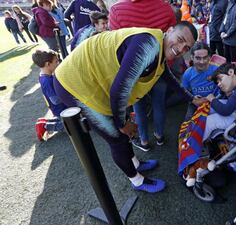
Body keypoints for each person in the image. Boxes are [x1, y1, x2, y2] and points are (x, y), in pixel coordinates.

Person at [54, 22, 203, 193]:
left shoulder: (159, 44)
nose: (181, 48)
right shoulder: (150, 44)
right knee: (117, 138)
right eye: (180, 40)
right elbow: (118, 92)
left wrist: (191, 99)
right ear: (169, 31)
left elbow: (166, 75)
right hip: (73, 84)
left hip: (91, 80)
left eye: (186, 47)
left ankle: (135, 163)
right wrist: (123, 123)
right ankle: (137, 180)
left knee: (122, 134)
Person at [109, 0, 177, 152]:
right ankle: (159, 136)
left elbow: (116, 45)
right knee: (159, 104)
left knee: (138, 107)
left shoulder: (117, 10)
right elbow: (172, 38)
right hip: (160, 67)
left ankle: (144, 141)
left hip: (134, 72)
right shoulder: (165, 7)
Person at [32, 49, 67, 141]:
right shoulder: (46, 80)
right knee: (72, 126)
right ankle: (45, 126)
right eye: (56, 61)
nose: (58, 63)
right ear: (48, 64)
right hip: (60, 109)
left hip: (60, 108)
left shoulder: (46, 75)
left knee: (69, 120)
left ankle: (45, 122)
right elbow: (55, 100)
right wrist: (67, 94)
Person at [182, 42, 219, 120]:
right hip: (196, 103)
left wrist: (214, 99)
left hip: (214, 102)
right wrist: (192, 97)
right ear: (192, 57)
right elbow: (184, 91)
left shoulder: (216, 70)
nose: (202, 62)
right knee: (187, 121)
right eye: (198, 58)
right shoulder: (188, 73)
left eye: (205, 57)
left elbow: (224, 90)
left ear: (209, 57)